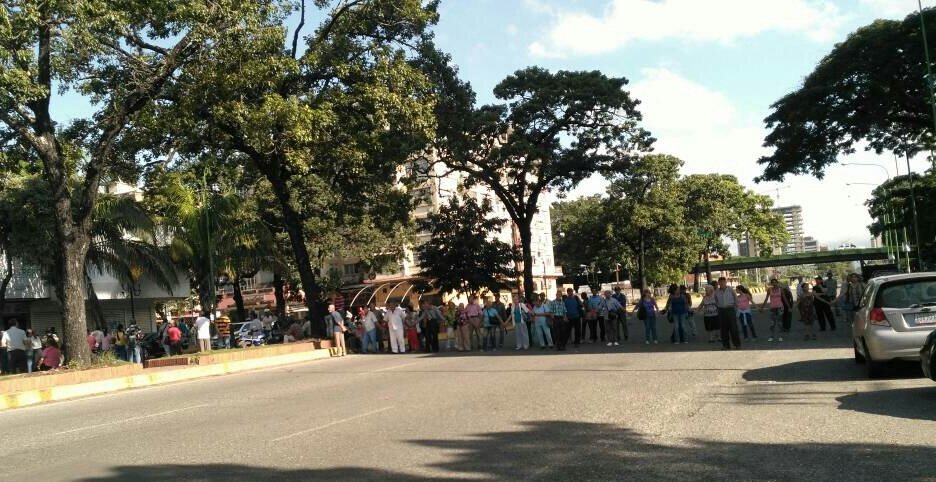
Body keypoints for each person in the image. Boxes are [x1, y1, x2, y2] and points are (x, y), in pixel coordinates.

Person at [714, 278, 741, 350]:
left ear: (726, 282)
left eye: (723, 282)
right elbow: (715, 301)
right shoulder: (716, 292)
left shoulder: (731, 290)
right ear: (718, 283)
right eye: (720, 282)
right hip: (721, 310)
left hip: (730, 309)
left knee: (733, 328)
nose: (722, 283)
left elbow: (736, 299)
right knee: (723, 329)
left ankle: (737, 344)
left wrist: (737, 309)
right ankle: (726, 345)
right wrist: (719, 306)